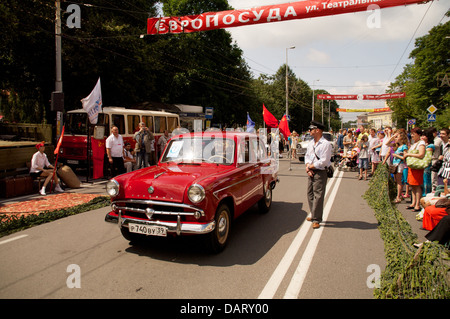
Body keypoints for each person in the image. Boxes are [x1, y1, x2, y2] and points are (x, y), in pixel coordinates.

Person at [305, 120, 332, 229]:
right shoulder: (311, 143)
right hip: (311, 170)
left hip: (320, 171)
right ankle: (313, 213)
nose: (309, 131)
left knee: (318, 196)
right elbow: (307, 156)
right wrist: (307, 167)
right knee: (310, 193)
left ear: (317, 130)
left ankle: (316, 219)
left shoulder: (325, 144)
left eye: (311, 129)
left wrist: (311, 166)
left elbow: (324, 161)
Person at [404, 127, 426, 211]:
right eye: (411, 134)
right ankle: (413, 203)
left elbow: (421, 155)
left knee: (417, 186)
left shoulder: (421, 143)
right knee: (412, 185)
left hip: (417, 167)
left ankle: (417, 204)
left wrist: (409, 154)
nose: (412, 135)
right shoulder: (414, 143)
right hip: (412, 167)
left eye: (414, 134)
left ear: (419, 134)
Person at [391, 132, 409, 203]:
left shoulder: (404, 146)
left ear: (401, 138)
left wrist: (396, 155)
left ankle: (398, 197)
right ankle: (399, 195)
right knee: (396, 181)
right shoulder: (397, 146)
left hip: (400, 165)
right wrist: (393, 136)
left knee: (399, 182)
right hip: (395, 164)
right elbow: (387, 143)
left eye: (397, 137)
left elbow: (405, 157)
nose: (395, 138)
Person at [422, 128, 436, 196]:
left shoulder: (430, 145)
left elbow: (427, 156)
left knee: (426, 181)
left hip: (426, 166)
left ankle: (426, 194)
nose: (422, 137)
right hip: (422, 165)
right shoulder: (423, 144)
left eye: (424, 136)